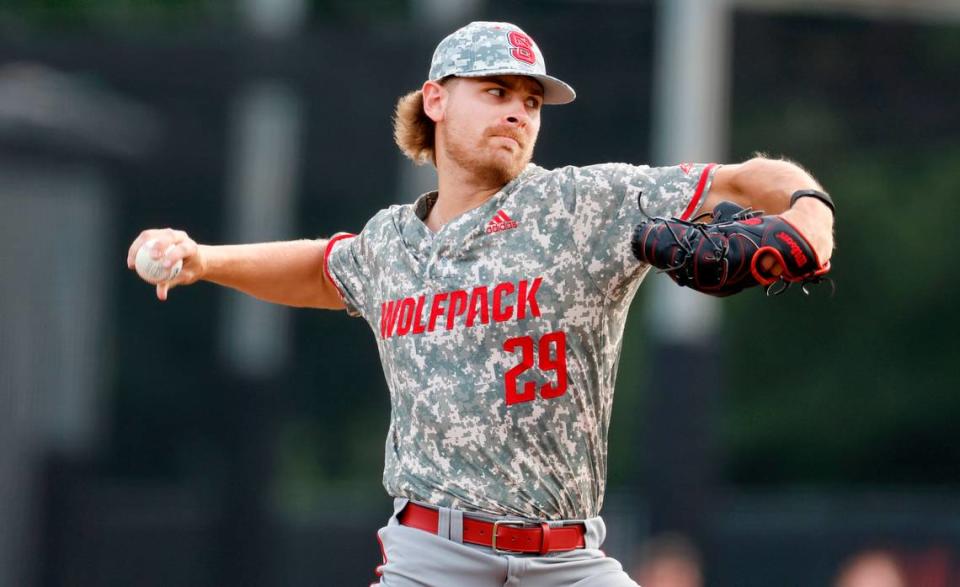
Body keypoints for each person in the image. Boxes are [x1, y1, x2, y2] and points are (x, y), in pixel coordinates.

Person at [127, 21, 834, 587]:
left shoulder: (579, 204)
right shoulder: (392, 245)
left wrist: (810, 220)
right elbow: (320, 267)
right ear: (436, 100)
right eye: (496, 90)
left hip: (566, 558)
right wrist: (204, 260)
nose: (518, 112)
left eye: (530, 101)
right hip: (432, 557)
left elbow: (750, 177)